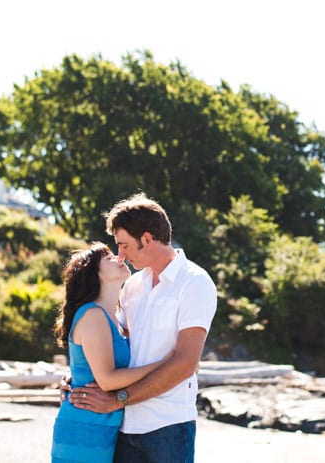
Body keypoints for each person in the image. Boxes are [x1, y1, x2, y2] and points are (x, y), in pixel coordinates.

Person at [68, 193, 217, 463]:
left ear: (147, 239)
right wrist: (77, 379)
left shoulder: (194, 283)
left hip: (169, 426)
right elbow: (113, 343)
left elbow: (185, 363)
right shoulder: (133, 286)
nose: (120, 255)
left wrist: (118, 399)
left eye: (124, 245)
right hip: (125, 426)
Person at [50, 241, 168, 462]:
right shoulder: (93, 315)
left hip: (106, 425)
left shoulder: (115, 317)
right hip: (85, 425)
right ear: (95, 275)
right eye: (109, 258)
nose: (119, 257)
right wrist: (163, 365)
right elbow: (107, 380)